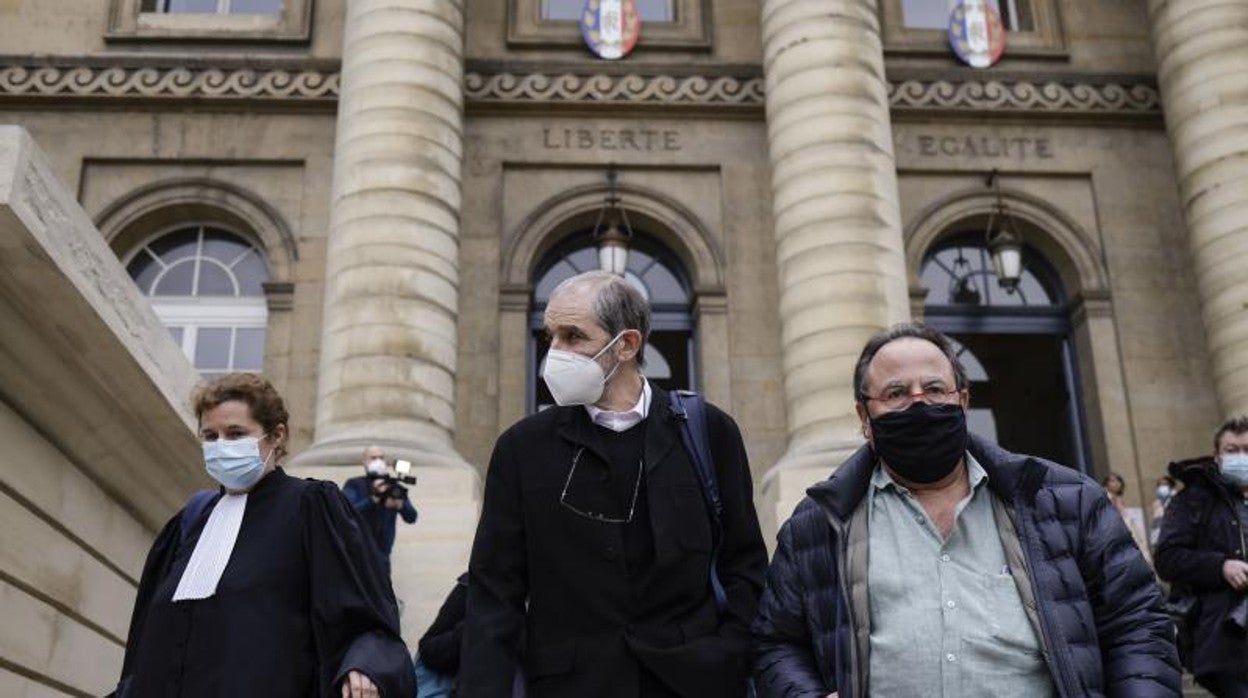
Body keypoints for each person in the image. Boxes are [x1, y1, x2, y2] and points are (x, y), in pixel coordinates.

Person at [752, 322, 1180, 698]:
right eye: (896, 393)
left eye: (935, 389)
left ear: (963, 401)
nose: (919, 403)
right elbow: (776, 642)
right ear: (865, 416)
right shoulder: (817, 526)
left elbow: (1137, 623)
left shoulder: (1065, 501)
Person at [461, 270, 769, 698]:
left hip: (692, 682)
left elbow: (745, 563)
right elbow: (494, 594)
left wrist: (729, 654)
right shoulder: (522, 448)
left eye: (573, 336)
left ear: (626, 345)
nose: (555, 352)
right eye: (551, 336)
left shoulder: (708, 432)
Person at [112, 373, 413, 698]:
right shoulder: (191, 519)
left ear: (276, 436)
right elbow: (148, 642)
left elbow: (359, 612)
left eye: (236, 433)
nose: (221, 446)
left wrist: (364, 665)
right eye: (210, 436)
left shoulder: (311, 506)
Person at [1155, 417, 1248, 697]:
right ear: (1217, 455)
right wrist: (1221, 566)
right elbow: (1168, 558)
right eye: (1232, 450)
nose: (1241, 457)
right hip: (1222, 639)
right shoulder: (1191, 500)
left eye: (1247, 449)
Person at [342, 445, 418, 576]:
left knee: (383, 593)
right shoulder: (354, 484)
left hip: (382, 554)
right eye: (373, 458)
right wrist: (374, 499)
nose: (378, 461)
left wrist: (400, 505)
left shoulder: (394, 486)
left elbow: (412, 517)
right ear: (364, 462)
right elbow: (346, 513)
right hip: (357, 551)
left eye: (381, 458)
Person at [1102, 471, 1152, 564]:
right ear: (1106, 484)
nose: (1116, 483)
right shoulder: (1106, 498)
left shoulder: (1120, 500)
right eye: (1112, 481)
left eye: (1118, 480)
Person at [1150, 474, 1178, 548]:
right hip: (1160, 541)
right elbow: (1156, 523)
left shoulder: (1178, 500)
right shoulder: (1156, 503)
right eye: (1159, 485)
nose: (1161, 487)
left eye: (1165, 484)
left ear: (1171, 486)